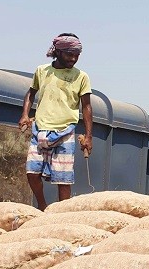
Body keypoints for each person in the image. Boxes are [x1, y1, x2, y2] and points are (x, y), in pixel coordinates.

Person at [19, 33, 93, 210]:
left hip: (65, 131)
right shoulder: (42, 71)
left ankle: (62, 213)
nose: (74, 59)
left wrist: (89, 136)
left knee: (63, 178)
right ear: (58, 52)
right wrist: (24, 114)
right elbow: (31, 93)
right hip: (40, 129)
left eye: (77, 55)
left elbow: (87, 106)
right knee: (32, 172)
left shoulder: (81, 77)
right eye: (69, 54)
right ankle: (43, 206)